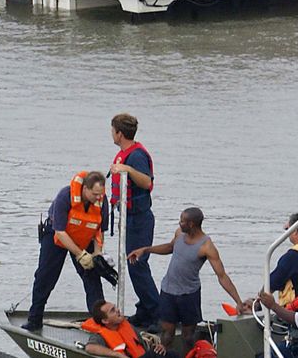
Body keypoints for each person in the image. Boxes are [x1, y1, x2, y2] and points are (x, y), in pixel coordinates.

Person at [128, 208, 247, 354]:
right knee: (167, 332)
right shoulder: (179, 233)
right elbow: (170, 247)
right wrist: (146, 250)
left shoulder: (206, 246)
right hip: (168, 291)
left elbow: (222, 276)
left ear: (191, 224)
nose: (179, 223)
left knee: (188, 336)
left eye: (182, 221)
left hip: (189, 295)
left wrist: (238, 301)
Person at [22, 171, 109, 331]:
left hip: (84, 235)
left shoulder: (102, 201)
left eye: (101, 194)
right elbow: (60, 232)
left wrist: (97, 254)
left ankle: (101, 322)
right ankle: (34, 319)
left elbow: (100, 231)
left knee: (92, 276)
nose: (98, 198)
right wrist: (80, 254)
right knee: (45, 276)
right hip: (57, 235)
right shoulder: (65, 196)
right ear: (85, 189)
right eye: (95, 194)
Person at [109, 113, 160, 328]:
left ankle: (157, 312)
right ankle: (145, 310)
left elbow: (146, 182)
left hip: (139, 218)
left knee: (137, 264)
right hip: (128, 217)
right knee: (133, 266)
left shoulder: (136, 156)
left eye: (113, 130)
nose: (111, 134)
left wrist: (128, 169)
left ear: (119, 133)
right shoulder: (124, 153)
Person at [83, 300, 180, 358]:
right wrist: (118, 355)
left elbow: (142, 345)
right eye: (112, 311)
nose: (118, 310)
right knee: (154, 355)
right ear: (105, 321)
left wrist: (158, 347)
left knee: (171, 354)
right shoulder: (100, 335)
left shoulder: (127, 326)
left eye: (115, 307)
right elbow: (90, 348)